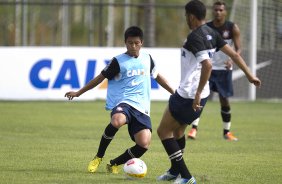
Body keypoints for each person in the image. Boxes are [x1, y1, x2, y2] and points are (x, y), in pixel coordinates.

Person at [156, 1, 261, 184]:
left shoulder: (195, 36)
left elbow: (208, 64)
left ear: (191, 16)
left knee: (163, 131)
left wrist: (196, 93)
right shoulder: (212, 33)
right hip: (200, 92)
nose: (186, 19)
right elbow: (235, 55)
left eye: (186, 16)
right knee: (179, 131)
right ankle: (175, 170)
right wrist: (250, 75)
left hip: (189, 93)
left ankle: (187, 177)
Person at [65, 26, 175, 174]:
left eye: (136, 43)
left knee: (143, 144)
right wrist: (79, 92)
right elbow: (99, 78)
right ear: (125, 43)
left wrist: (174, 92)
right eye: (130, 43)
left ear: (142, 42)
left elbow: (158, 77)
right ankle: (98, 156)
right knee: (117, 120)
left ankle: (114, 164)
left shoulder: (148, 59)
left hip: (142, 107)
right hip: (125, 102)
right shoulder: (118, 61)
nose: (133, 46)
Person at [187, 0, 242, 141]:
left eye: (221, 10)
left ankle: (226, 132)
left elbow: (238, 48)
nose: (218, 12)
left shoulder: (232, 28)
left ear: (225, 12)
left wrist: (232, 59)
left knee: (224, 100)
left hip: (224, 69)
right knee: (200, 98)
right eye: (216, 10)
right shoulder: (206, 27)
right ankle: (193, 129)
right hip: (207, 68)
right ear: (212, 11)